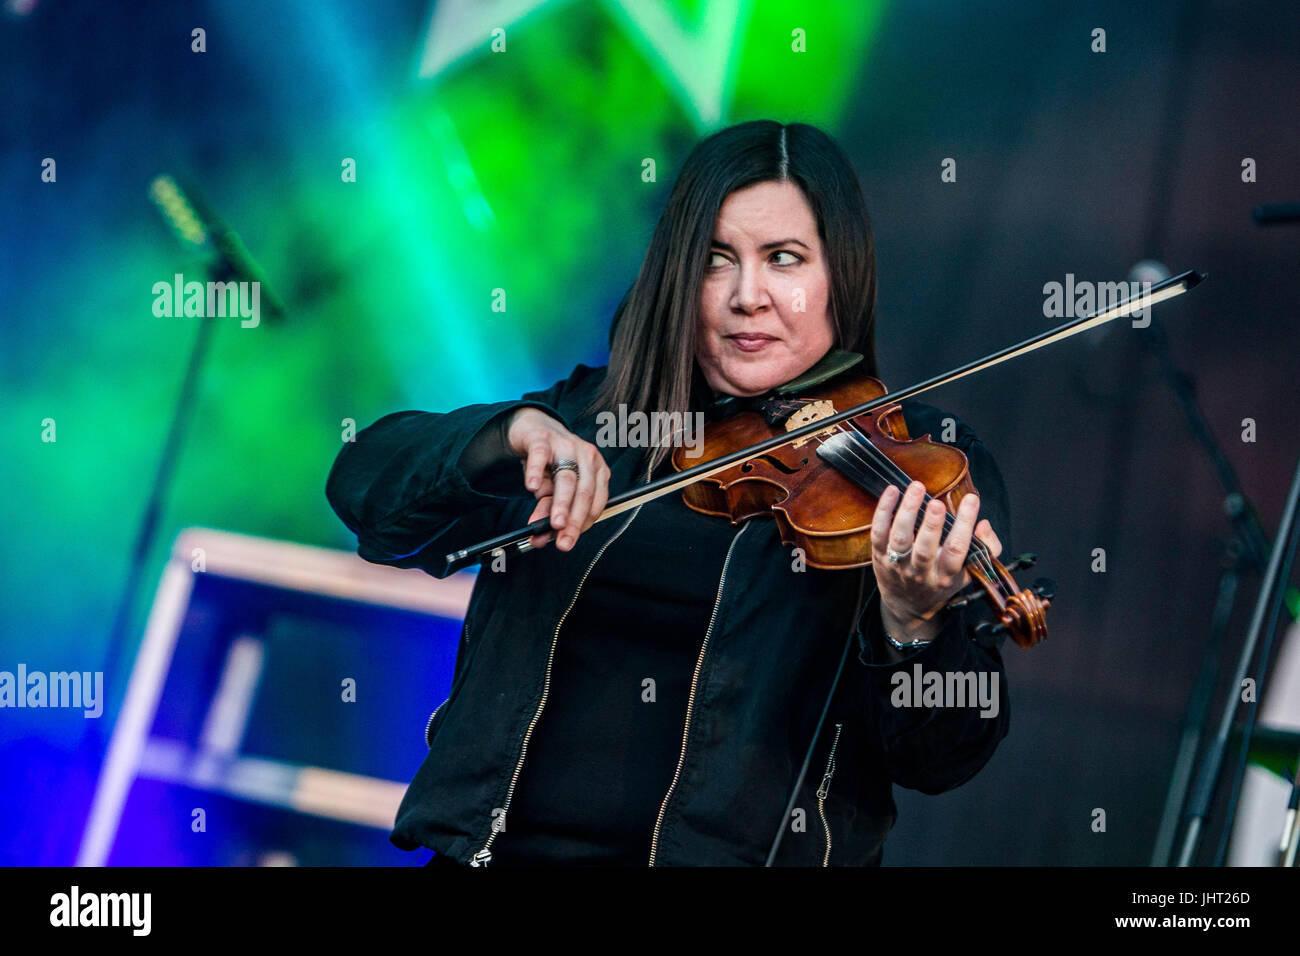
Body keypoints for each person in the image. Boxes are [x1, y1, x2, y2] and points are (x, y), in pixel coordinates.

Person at [326, 120, 1014, 867]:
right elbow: (367, 489)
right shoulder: (597, 422)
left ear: (838, 276)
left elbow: (945, 756)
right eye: (717, 261)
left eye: (784, 260)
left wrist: (914, 625)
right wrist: (504, 436)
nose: (748, 297)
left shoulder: (921, 459)